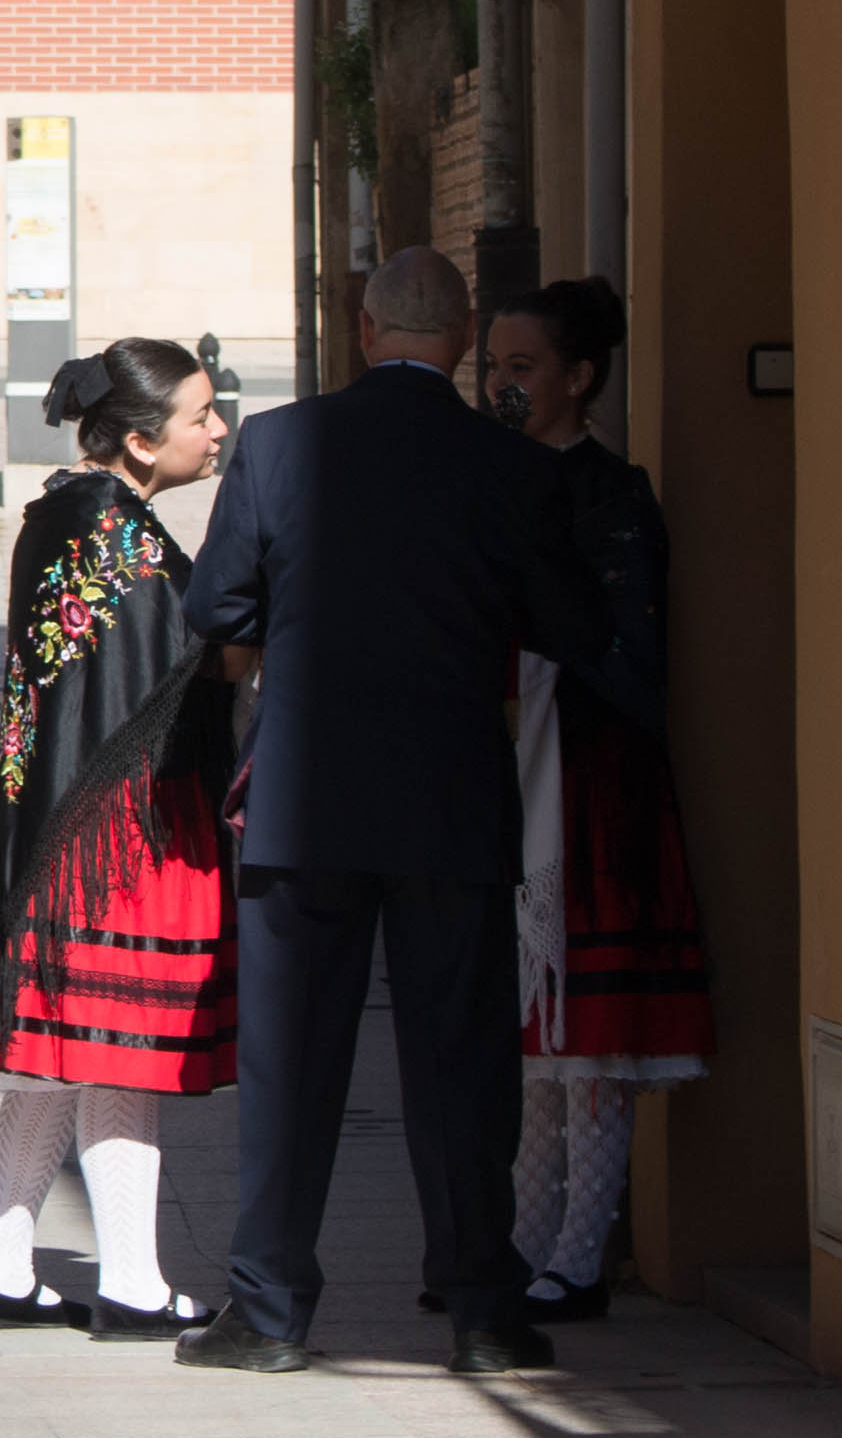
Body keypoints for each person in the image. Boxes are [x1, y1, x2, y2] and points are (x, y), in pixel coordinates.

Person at [174, 242, 607, 1375]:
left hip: (306, 806)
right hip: (453, 802)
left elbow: (215, 602)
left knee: (292, 1062)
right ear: (463, 342)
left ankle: (269, 1312)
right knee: (462, 1064)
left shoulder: (275, 443)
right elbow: (574, 622)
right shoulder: (505, 465)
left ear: (365, 332)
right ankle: (482, 1310)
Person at [0, 337, 239, 1334]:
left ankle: (1, 1258)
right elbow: (193, 657)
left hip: (56, 829)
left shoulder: (65, 514)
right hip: (121, 841)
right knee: (120, 1050)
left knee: (57, 1051)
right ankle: (130, 1279)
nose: (216, 432)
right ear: (133, 438)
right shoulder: (111, 529)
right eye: (200, 416)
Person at [483, 277, 709, 1323]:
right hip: (509, 772)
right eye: (493, 367)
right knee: (528, 1035)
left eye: (523, 368)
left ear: (579, 376)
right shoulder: (486, 479)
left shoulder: (613, 497)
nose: (503, 386)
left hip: (591, 782)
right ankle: (525, 1240)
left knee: (590, 1034)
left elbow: (630, 656)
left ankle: (581, 1250)